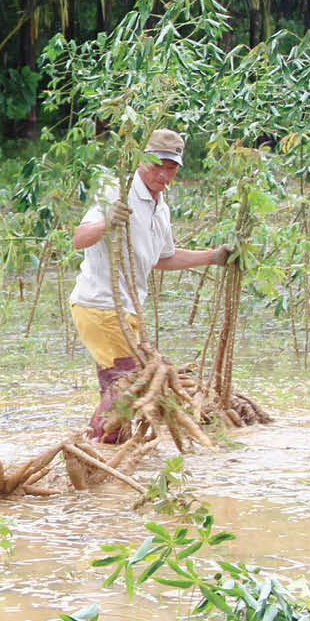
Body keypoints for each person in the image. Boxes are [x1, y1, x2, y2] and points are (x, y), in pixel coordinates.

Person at [69, 128, 232, 442]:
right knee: (127, 383)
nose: (163, 173)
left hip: (128, 311)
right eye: (157, 164)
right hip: (100, 306)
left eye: (170, 167)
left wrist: (213, 256)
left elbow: (163, 258)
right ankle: (93, 448)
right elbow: (79, 239)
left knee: (124, 385)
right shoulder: (118, 192)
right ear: (142, 160)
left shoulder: (161, 208)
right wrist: (108, 222)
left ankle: (106, 449)